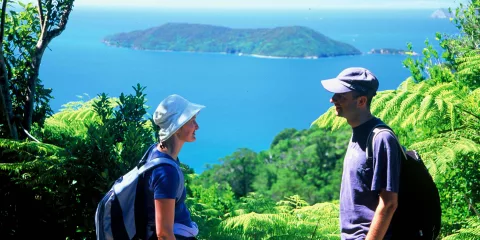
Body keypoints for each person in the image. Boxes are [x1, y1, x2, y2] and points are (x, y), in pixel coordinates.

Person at [320, 67, 402, 240]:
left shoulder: (381, 138)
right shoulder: (358, 134)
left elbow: (389, 203)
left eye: (341, 95)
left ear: (361, 101)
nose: (332, 99)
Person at [143, 94, 205, 240]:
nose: (197, 126)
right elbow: (164, 234)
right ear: (177, 128)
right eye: (192, 121)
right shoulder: (166, 172)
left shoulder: (156, 150)